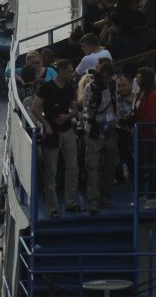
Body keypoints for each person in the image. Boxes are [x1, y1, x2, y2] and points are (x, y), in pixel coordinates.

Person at [38, 59, 80, 217]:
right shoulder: (46, 88)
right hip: (53, 133)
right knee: (51, 170)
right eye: (69, 71)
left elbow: (75, 108)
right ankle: (53, 207)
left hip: (67, 130)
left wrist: (67, 116)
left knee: (73, 167)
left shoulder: (69, 88)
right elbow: (35, 107)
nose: (71, 73)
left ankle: (70, 202)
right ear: (61, 71)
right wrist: (46, 125)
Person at [80, 60, 120, 212]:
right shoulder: (91, 88)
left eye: (109, 77)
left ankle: (105, 195)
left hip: (109, 129)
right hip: (94, 130)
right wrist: (95, 102)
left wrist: (113, 121)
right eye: (105, 77)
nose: (107, 80)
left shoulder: (112, 85)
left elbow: (114, 104)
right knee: (93, 166)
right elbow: (87, 110)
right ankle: (93, 199)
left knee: (111, 163)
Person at [132, 66, 156, 198]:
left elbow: (152, 117)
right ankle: (141, 192)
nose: (136, 79)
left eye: (139, 77)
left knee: (149, 165)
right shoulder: (141, 93)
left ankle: (151, 195)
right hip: (140, 134)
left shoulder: (152, 95)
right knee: (140, 164)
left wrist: (139, 126)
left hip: (148, 135)